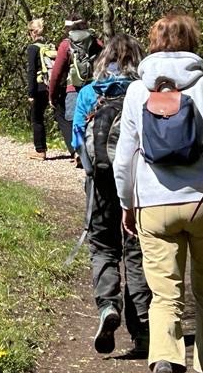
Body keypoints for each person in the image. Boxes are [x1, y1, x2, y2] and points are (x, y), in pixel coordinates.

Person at [113, 13, 203, 373]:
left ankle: (165, 357)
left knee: (165, 295)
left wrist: (127, 203)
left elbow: (124, 157)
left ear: (153, 44)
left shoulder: (137, 91)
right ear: (192, 42)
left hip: (154, 206)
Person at [72, 34, 152, 357]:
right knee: (137, 252)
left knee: (103, 246)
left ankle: (107, 306)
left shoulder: (89, 93)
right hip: (138, 184)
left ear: (104, 60)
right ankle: (143, 328)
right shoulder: (144, 93)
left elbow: (78, 142)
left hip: (100, 184)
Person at [50, 12, 104, 160]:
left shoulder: (66, 45)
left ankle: (78, 152)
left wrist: (52, 96)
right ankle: (94, 152)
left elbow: (56, 74)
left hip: (74, 89)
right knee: (94, 120)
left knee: (74, 121)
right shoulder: (97, 43)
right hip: (95, 89)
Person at [25, 18, 57, 160]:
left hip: (39, 87)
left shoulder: (32, 48)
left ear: (34, 32)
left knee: (37, 118)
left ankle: (40, 150)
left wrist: (30, 92)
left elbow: (31, 71)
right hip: (52, 86)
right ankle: (75, 150)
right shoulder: (51, 47)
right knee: (61, 118)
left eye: (30, 31)